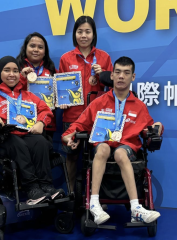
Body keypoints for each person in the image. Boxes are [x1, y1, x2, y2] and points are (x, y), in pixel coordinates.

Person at [62, 57, 164, 225]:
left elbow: (148, 129)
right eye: (117, 72)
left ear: (133, 77)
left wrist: (158, 127)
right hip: (103, 146)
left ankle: (136, 209)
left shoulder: (139, 105)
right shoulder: (99, 102)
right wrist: (67, 135)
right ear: (111, 76)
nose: (121, 76)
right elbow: (80, 123)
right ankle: (94, 204)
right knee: (103, 149)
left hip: (126, 148)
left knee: (120, 153)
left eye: (126, 73)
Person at [0, 56, 64, 204]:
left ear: (20, 74)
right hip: (3, 138)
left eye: (15, 71)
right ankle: (32, 188)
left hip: (26, 134)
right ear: (0, 74)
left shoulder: (28, 96)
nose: (12, 74)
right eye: (7, 70)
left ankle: (46, 186)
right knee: (17, 143)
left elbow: (45, 111)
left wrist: (41, 123)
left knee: (41, 142)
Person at [59, 15, 113, 192]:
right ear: (75, 34)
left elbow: (113, 86)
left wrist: (103, 73)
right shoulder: (66, 58)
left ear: (93, 34)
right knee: (72, 156)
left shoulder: (103, 57)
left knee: (98, 157)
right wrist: (62, 101)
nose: (83, 35)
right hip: (72, 116)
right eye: (80, 31)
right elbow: (60, 87)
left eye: (87, 31)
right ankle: (71, 193)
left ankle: (95, 197)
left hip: (98, 118)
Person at [16, 32, 57, 138]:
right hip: (21, 120)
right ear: (25, 48)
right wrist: (21, 77)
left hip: (45, 123)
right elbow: (9, 93)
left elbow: (60, 94)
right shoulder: (16, 68)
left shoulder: (52, 70)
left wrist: (61, 101)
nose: (36, 50)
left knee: (44, 151)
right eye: (32, 46)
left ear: (45, 51)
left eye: (40, 47)